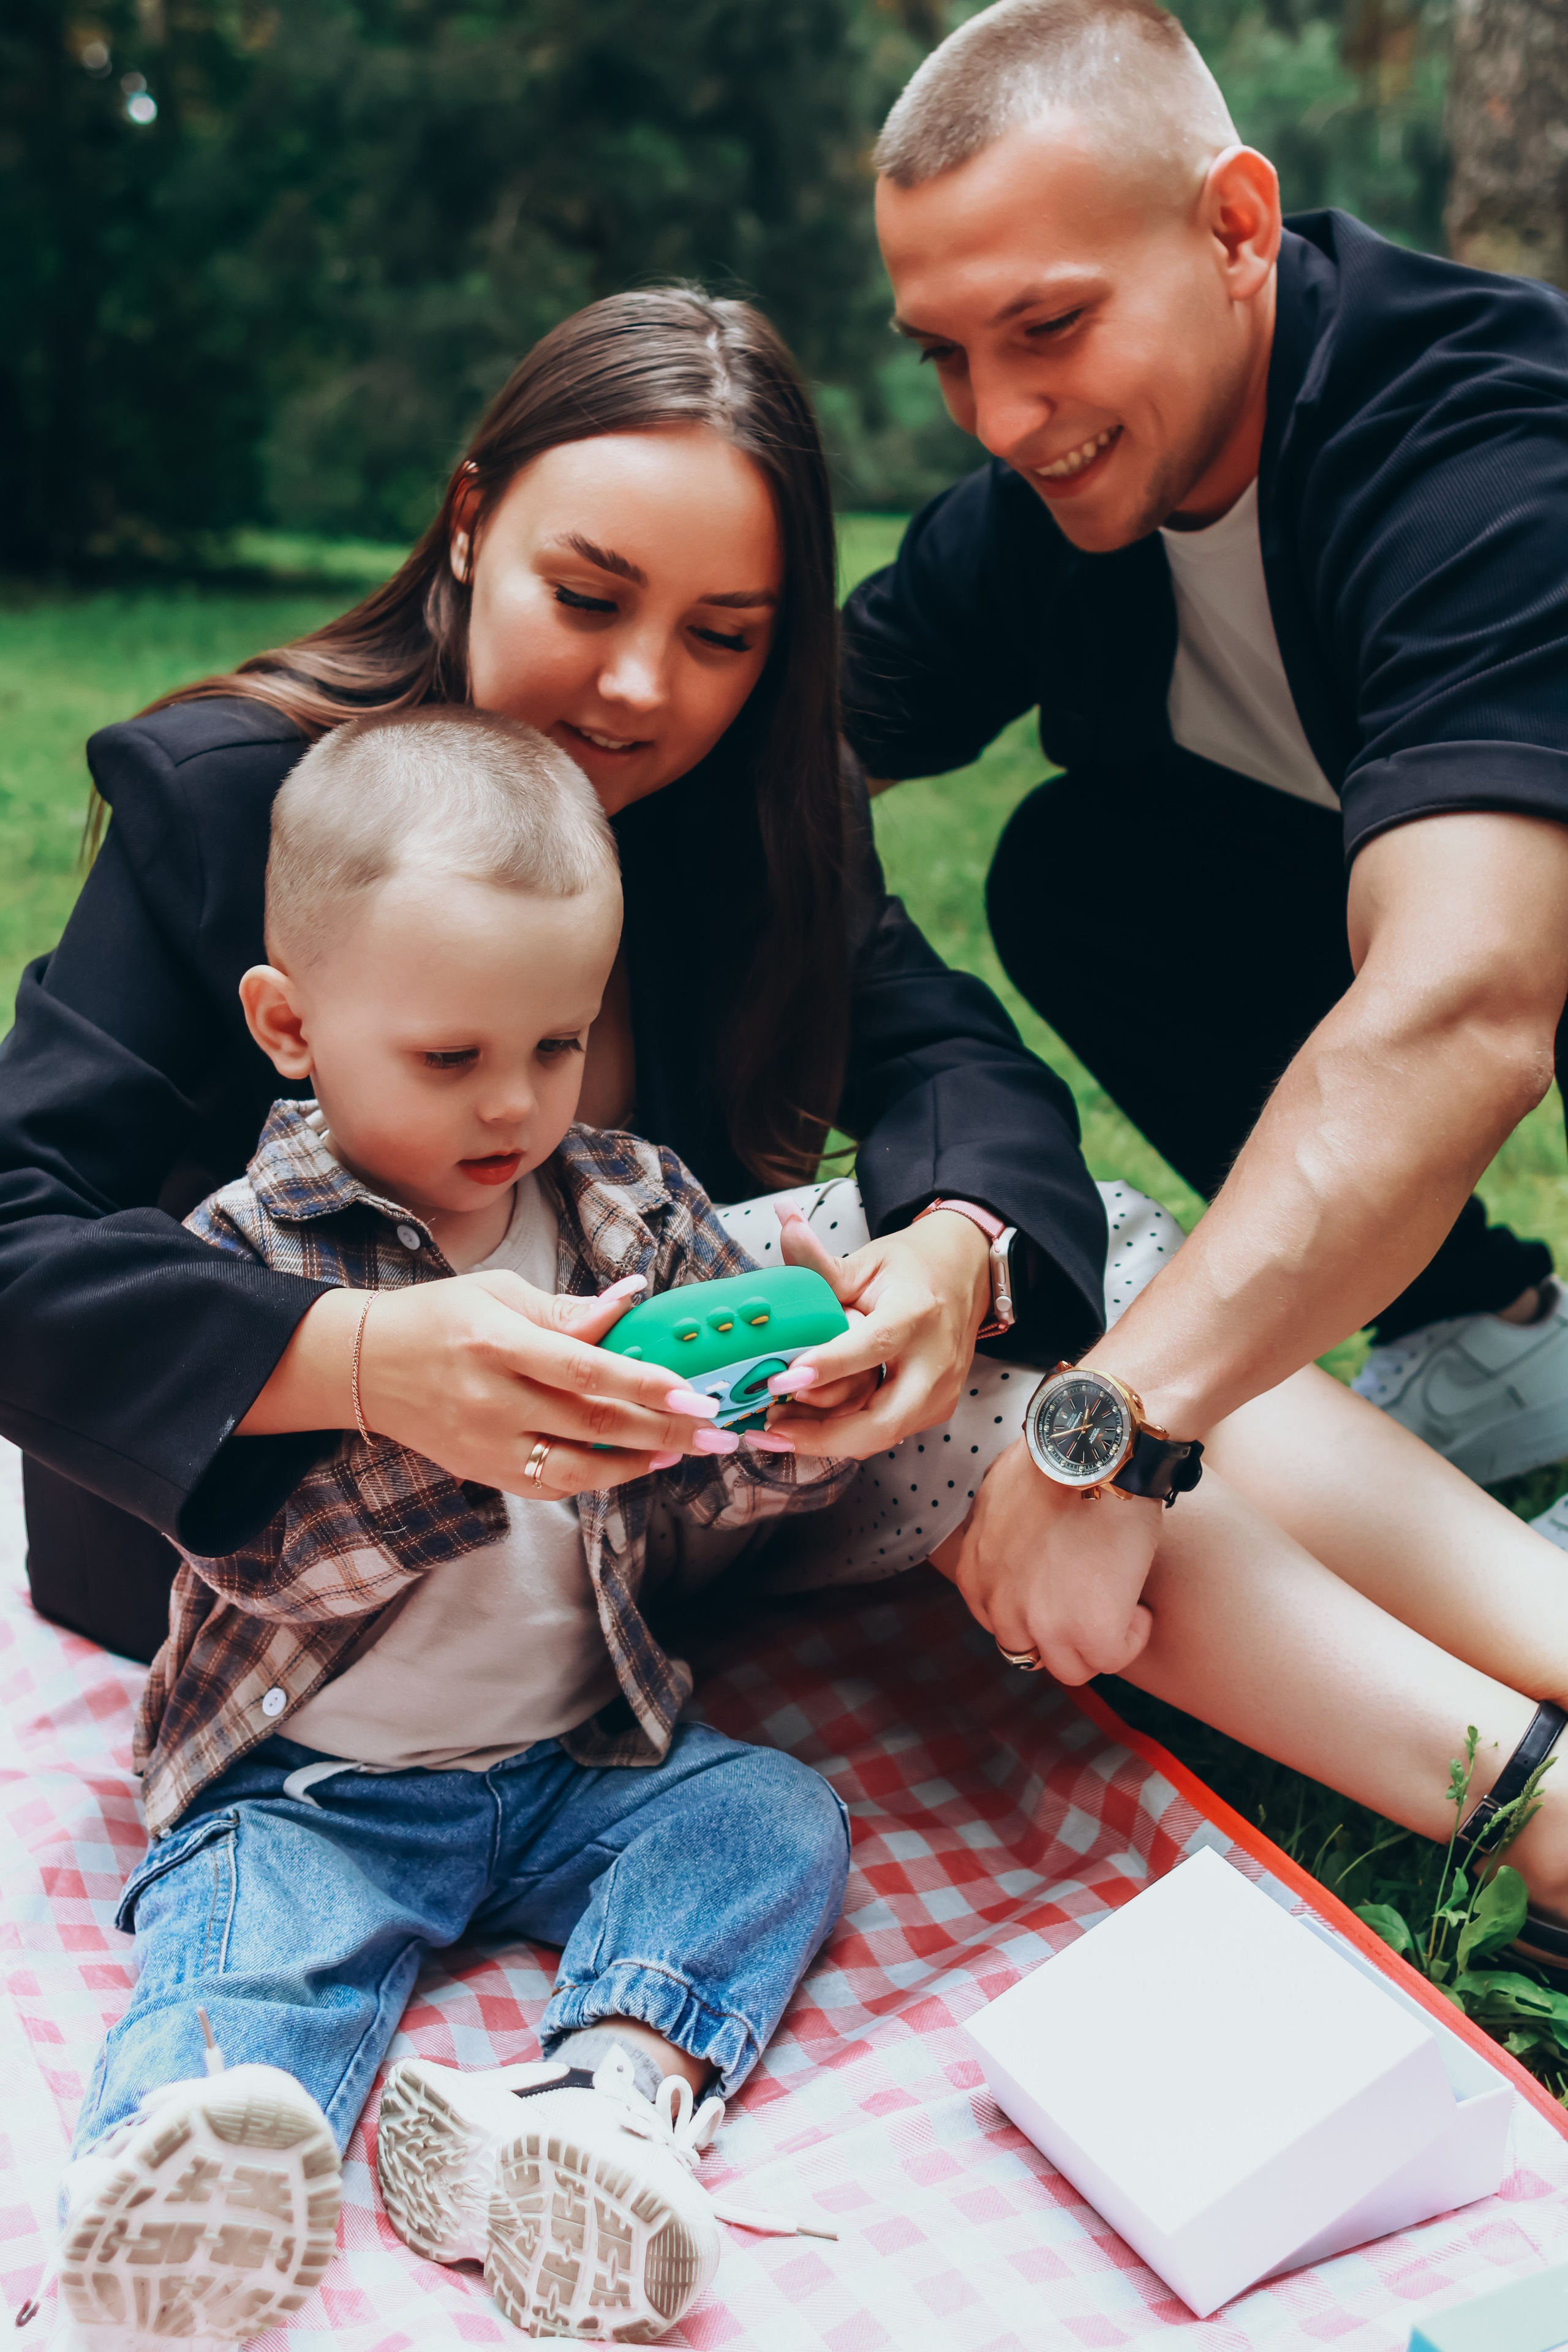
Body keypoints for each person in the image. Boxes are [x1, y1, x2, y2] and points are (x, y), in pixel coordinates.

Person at [0, 287, 1111, 1668]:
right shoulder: (233, 803)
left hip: (642, 1542)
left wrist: (955, 1252)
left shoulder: (757, 809)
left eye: (724, 636)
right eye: (585, 598)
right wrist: (357, 1355)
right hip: (262, 1590)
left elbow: (953, 1062)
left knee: (1092, 1310)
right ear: (469, 523)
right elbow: (18, 1236)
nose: (641, 687)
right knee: (1090, 1404)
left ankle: (1471, 1762)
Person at [45, 709, 855, 2351]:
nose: (516, 1104)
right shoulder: (248, 1257)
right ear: (290, 1023)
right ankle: (179, 2189)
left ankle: (597, 2104)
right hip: (321, 1784)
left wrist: (788, 1421)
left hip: (577, 1764)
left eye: (555, 1045)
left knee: (770, 1818)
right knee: (251, 1958)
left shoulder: (627, 1204)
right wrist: (498, 1450)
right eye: (450, 1057)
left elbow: (709, 1497)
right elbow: (262, 1560)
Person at [835, 0, 1568, 1673]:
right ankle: (1493, 1334)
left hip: (1522, 936)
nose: (1003, 416)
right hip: (1437, 936)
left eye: (1050, 327)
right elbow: (773, 768)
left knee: (1498, 909)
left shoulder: (1472, 445)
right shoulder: (1039, 520)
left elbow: (1465, 1011)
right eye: (946, 353)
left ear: (1237, 228)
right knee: (1078, 877)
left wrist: (1116, 1424)